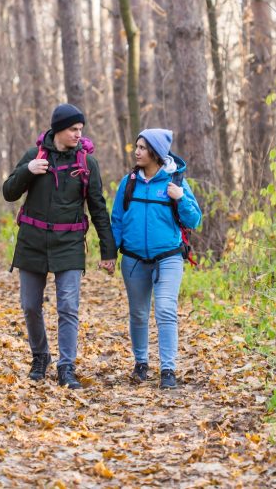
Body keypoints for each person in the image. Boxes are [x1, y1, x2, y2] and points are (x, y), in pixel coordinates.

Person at [2, 103, 117, 389]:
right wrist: (28, 171)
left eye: (81, 130)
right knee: (30, 306)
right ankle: (40, 356)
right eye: (73, 129)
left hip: (69, 244)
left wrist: (108, 250)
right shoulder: (34, 156)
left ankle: (67, 366)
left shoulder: (87, 163)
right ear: (58, 130)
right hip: (32, 242)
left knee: (68, 306)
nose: (79, 135)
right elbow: (9, 192)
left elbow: (98, 208)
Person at [104, 128, 202, 390]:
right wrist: (110, 253)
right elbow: (117, 220)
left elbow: (195, 219)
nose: (137, 151)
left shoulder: (176, 182)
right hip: (134, 259)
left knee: (165, 309)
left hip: (168, 257)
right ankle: (141, 363)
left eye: (143, 148)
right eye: (136, 146)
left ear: (156, 153)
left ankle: (168, 369)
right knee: (138, 313)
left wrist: (180, 199)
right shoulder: (129, 182)